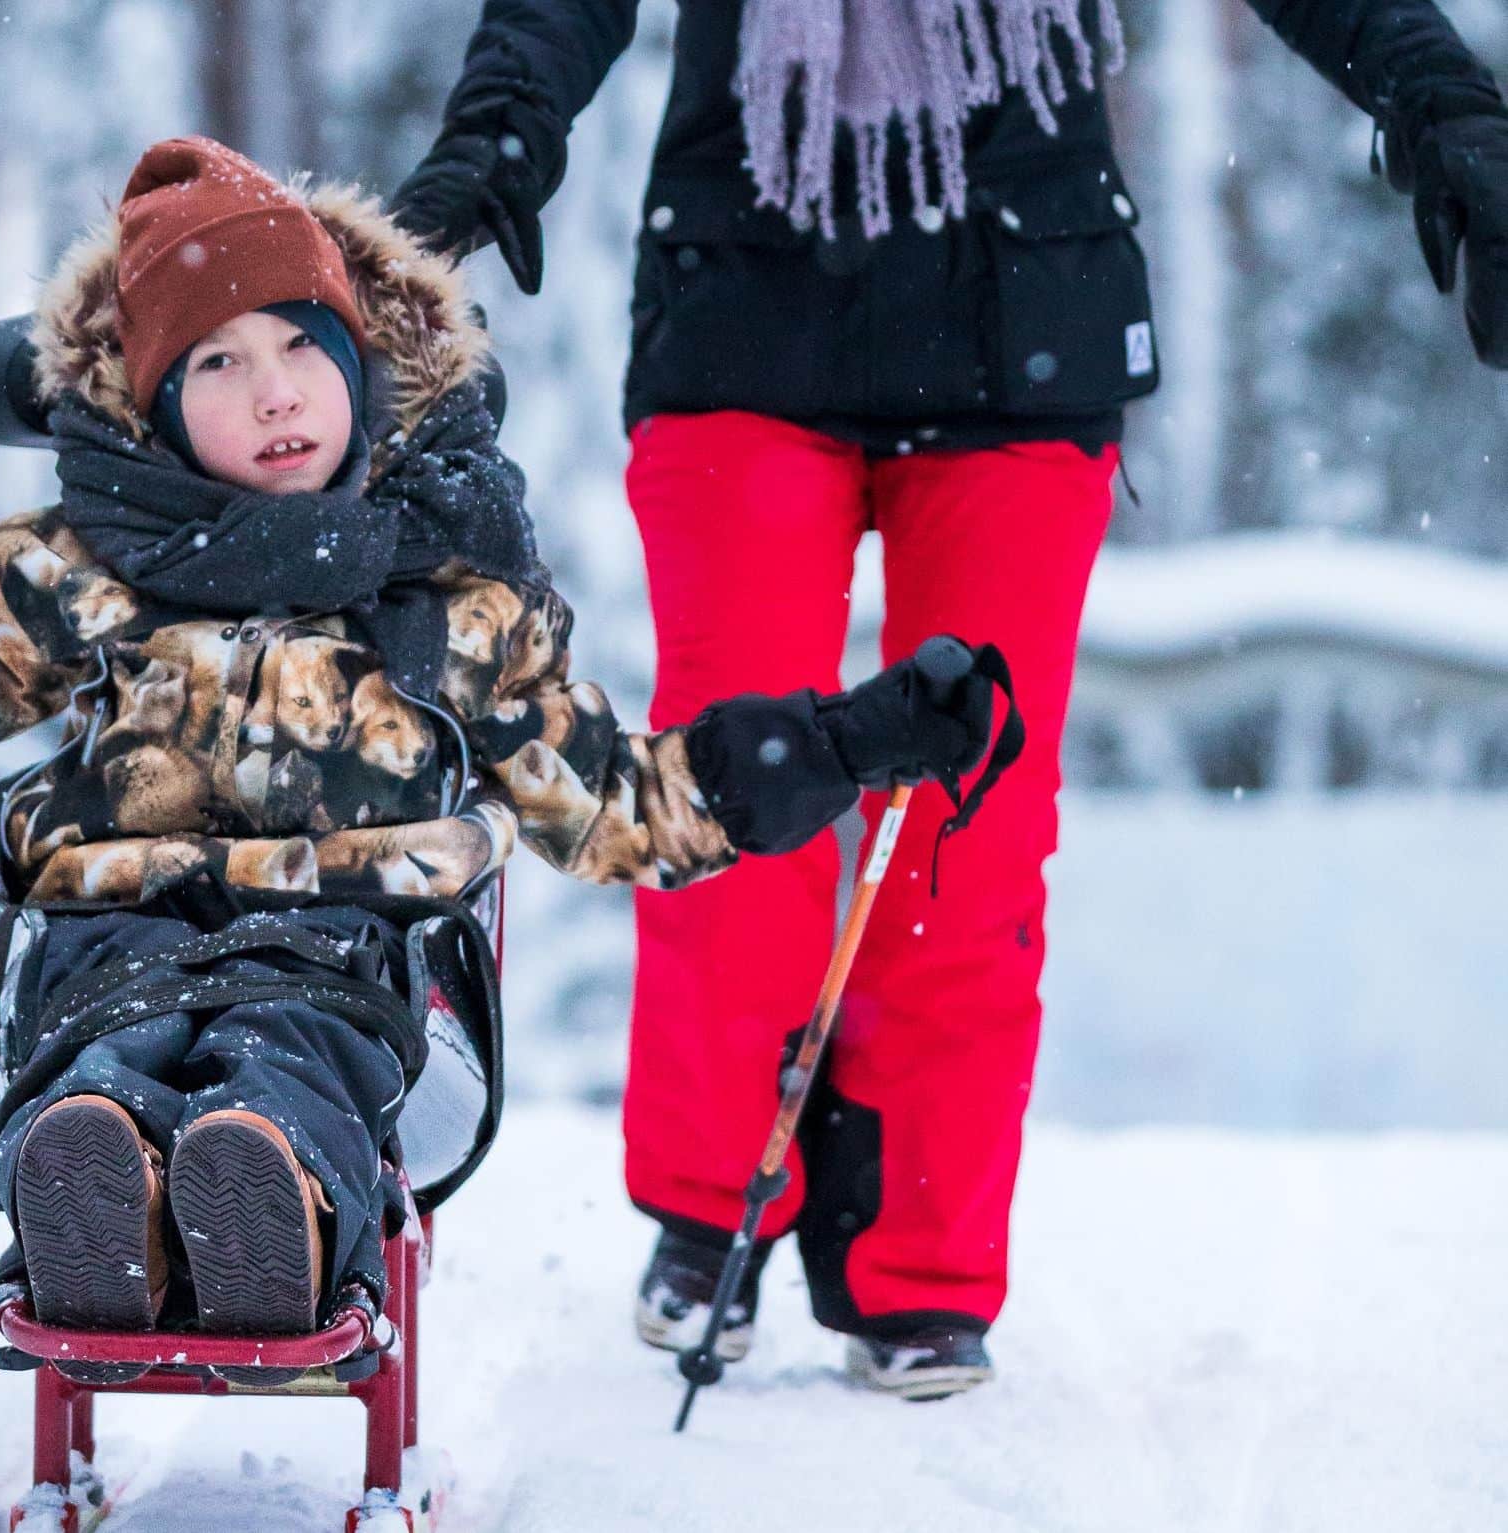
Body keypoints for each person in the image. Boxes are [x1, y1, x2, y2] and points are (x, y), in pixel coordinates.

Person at [389, 0, 1508, 1399]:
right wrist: (498, 134)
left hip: (1023, 311)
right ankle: (710, 1204)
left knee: (969, 826)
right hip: (746, 307)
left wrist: (1437, 99)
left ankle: (920, 1257)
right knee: (726, 790)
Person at [0, 136, 997, 1373]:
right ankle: (90, 1193)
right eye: (218, 362)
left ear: (360, 360)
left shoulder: (446, 593)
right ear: (150, 405)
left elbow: (615, 806)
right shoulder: (75, 567)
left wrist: (845, 743)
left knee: (284, 1058)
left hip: (355, 950)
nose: (277, 394)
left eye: (304, 344)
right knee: (98, 1055)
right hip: (109, 931)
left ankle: (269, 1201)